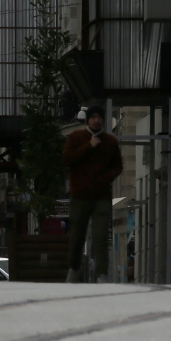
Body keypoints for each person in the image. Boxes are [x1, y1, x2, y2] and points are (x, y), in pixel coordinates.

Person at [62, 105, 123, 283]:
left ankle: (101, 273)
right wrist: (88, 146)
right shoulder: (75, 138)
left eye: (99, 117)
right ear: (88, 119)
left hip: (101, 196)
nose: (96, 120)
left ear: (103, 119)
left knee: (101, 236)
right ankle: (74, 268)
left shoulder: (110, 142)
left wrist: (107, 177)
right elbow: (67, 159)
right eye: (93, 117)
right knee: (77, 236)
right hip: (79, 196)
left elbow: (118, 166)